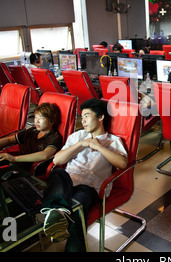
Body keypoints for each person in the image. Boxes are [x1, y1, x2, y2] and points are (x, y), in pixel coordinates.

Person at [39, 98, 128, 252]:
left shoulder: (113, 141)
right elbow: (57, 159)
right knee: (58, 172)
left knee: (77, 210)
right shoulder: (77, 137)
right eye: (82, 117)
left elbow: (122, 163)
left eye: (87, 115)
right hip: (67, 181)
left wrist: (98, 147)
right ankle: (59, 214)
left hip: (89, 188)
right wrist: (81, 144)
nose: (83, 120)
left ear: (100, 117)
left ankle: (58, 214)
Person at [0, 103, 63, 173]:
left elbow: (45, 155)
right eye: (35, 117)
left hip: (31, 169)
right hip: (19, 163)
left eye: (41, 118)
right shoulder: (33, 131)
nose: (36, 121)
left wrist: (14, 159)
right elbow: (9, 139)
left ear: (51, 121)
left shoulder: (54, 137)